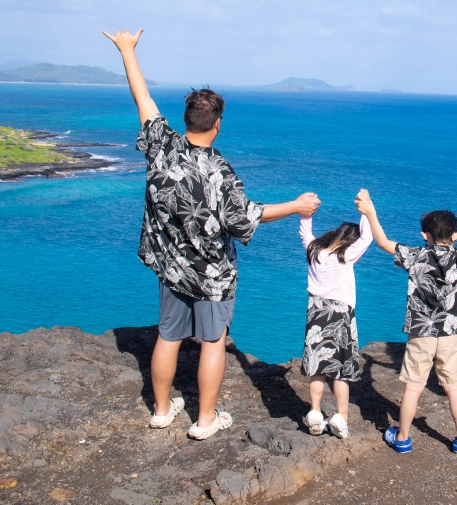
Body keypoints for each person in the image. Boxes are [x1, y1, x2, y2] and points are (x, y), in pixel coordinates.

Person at [103, 28, 321, 440]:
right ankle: (206, 420)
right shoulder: (220, 173)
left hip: (171, 267)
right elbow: (244, 220)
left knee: (167, 335)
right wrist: (296, 206)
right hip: (212, 275)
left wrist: (128, 51)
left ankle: (163, 410)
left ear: (186, 120)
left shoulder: (162, 146)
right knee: (213, 341)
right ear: (217, 124)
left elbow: (142, 99)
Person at [355, 188, 457, 454]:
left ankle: (402, 438)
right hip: (451, 334)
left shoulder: (416, 256)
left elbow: (382, 242)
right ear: (455, 235)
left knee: (414, 387)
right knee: (454, 387)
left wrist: (370, 210)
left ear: (425, 235)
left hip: (420, 332)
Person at [299, 210, 374, 439]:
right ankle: (340, 417)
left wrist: (306, 212)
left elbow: (305, 232)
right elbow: (368, 237)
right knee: (341, 371)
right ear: (348, 241)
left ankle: (314, 412)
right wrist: (366, 210)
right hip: (340, 316)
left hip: (316, 314)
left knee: (317, 367)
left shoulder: (315, 251)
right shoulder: (346, 255)